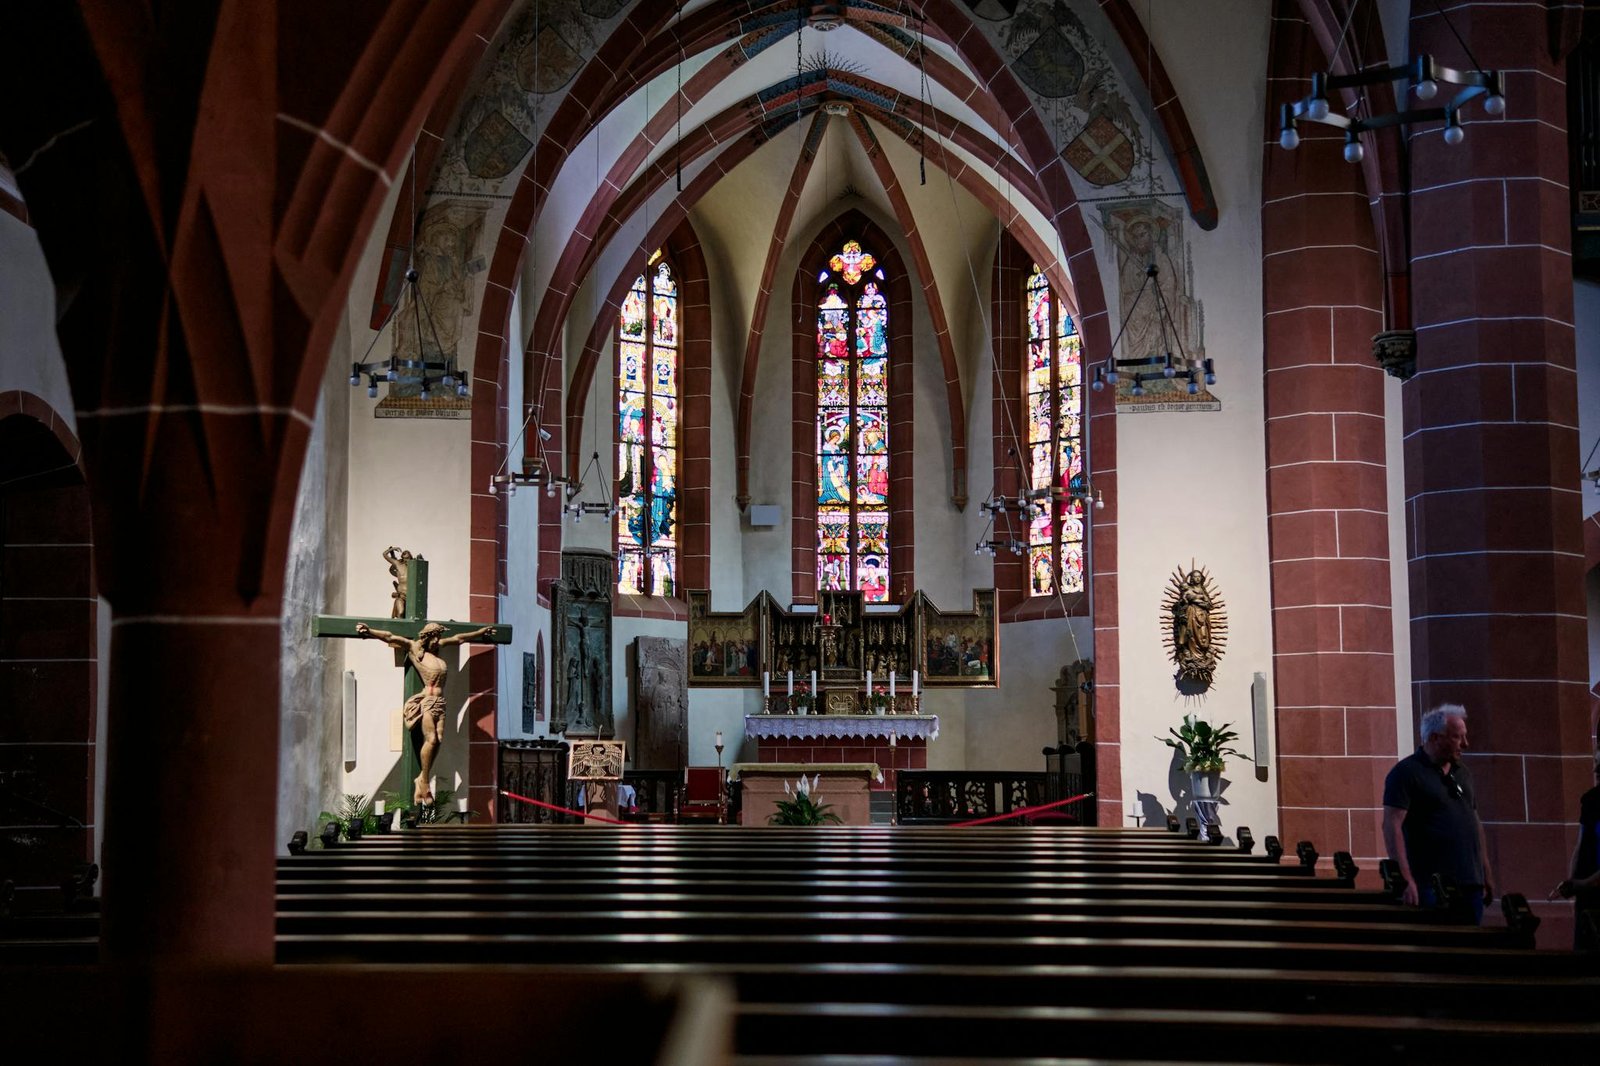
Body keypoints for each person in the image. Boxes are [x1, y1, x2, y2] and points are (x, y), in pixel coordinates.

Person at [355, 620, 496, 805]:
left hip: (440, 702)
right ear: (427, 636)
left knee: (438, 739)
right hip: (428, 702)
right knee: (431, 739)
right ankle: (424, 780)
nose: (438, 641)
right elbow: (389, 636)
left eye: (439, 637)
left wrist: (480, 631)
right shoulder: (414, 648)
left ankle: (422, 778)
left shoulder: (438, 648)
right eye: (435, 637)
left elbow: (460, 638)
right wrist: (369, 631)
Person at [1382, 703, 1495, 924]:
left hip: (1470, 881)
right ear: (1435, 738)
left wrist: (1485, 872)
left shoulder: (1462, 772)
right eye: (1457, 737)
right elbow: (1391, 825)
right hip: (1431, 883)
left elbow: (1474, 822)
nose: (1465, 744)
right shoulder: (1406, 773)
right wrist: (1406, 878)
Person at [1551, 752, 1600, 949]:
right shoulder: (1590, 800)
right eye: (1596, 763)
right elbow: (1580, 846)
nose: (1596, 770)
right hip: (1587, 897)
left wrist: (1579, 885)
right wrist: (1571, 883)